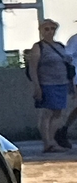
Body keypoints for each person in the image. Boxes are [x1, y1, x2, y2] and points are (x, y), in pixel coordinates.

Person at [29, 19, 74, 153]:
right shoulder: (38, 47)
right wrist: (37, 86)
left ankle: (52, 140)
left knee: (58, 112)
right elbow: (33, 68)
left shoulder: (60, 46)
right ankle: (47, 142)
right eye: (46, 29)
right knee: (47, 113)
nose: (49, 32)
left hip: (62, 82)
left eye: (52, 29)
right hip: (47, 83)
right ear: (41, 30)